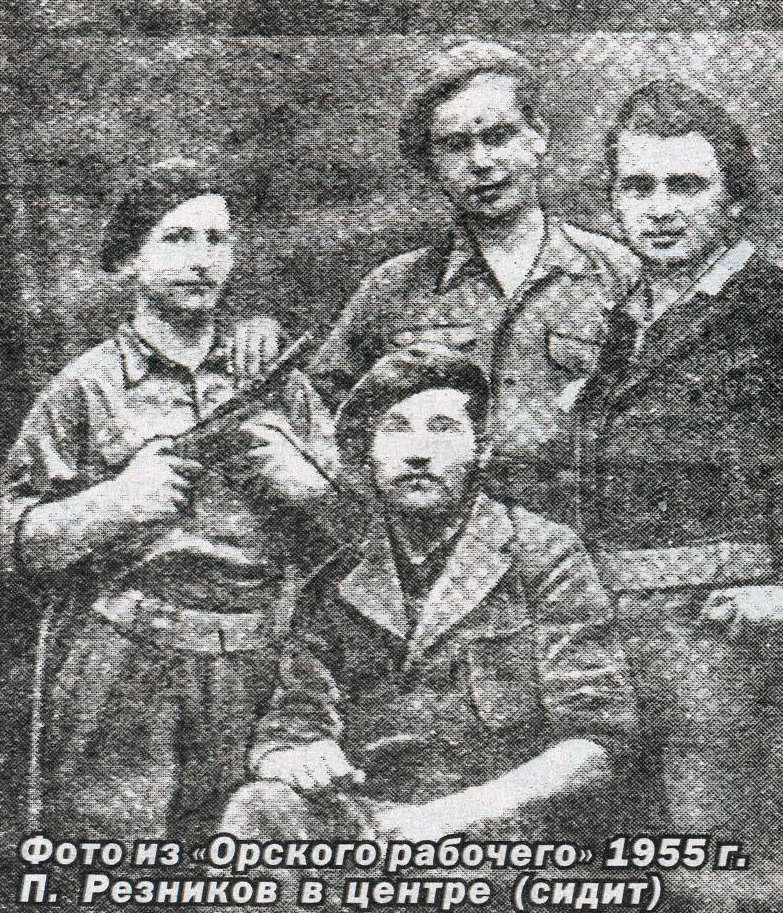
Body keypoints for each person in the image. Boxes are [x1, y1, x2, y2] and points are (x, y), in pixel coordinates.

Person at [0, 158, 341, 842]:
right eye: (177, 238)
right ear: (130, 259)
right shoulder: (85, 388)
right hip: (123, 665)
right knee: (115, 861)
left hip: (265, 667)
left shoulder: (278, 381)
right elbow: (12, 539)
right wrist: (114, 503)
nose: (201, 259)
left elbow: (357, 538)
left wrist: (307, 487)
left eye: (217, 240)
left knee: (250, 856)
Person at [222, 346, 638, 902]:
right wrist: (293, 756)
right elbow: (293, 718)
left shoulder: (542, 554)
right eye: (396, 429)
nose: (418, 452)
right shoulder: (338, 569)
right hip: (370, 823)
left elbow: (597, 740)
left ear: (480, 447)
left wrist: (448, 817)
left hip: (502, 832)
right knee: (259, 807)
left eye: (443, 429)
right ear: (368, 453)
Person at [577, 81, 783, 909]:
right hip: (608, 636)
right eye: (637, 185)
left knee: (715, 873)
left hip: (721, 638)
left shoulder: (770, 308)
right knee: (618, 875)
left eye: (685, 185)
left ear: (733, 200)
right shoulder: (625, 316)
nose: (659, 208)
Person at [310, 40, 639, 519]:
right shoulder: (393, 289)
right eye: (455, 146)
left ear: (538, 136)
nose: (481, 162)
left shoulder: (617, 273)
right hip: (437, 543)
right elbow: (317, 408)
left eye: (499, 136)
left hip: (580, 536)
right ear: (431, 164)